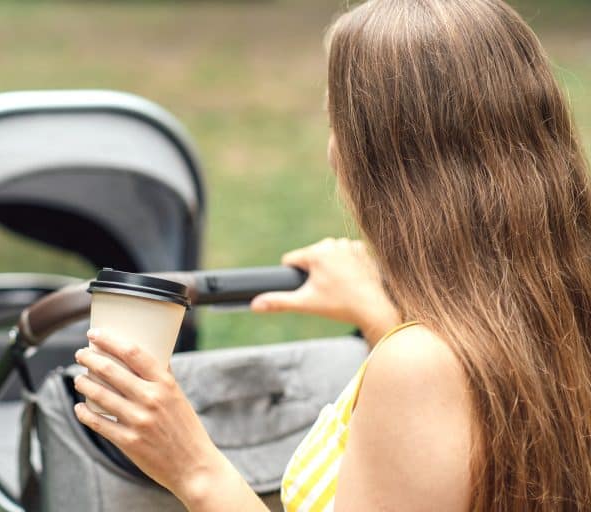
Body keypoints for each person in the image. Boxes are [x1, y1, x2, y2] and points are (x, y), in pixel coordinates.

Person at [72, 0, 591, 509]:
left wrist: (193, 467)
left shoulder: (418, 368)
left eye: (335, 122)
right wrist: (381, 318)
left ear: (374, 159)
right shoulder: (560, 308)